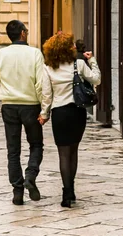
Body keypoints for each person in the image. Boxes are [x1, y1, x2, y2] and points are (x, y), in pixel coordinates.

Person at [39, 34, 101, 208]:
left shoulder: (48, 68)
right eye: (71, 44)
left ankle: (67, 192)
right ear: (66, 48)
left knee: (63, 154)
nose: (74, 46)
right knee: (74, 151)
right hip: (77, 113)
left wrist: (44, 114)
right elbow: (96, 79)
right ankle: (71, 190)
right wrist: (93, 61)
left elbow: (46, 94)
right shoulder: (79, 64)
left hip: (60, 114)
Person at [0, 20, 44, 206]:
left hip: (9, 105)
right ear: (23, 33)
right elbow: (40, 83)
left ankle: (17, 191)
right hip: (31, 105)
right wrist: (45, 108)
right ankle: (30, 176)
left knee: (13, 150)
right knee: (36, 144)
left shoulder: (1, 53)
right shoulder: (35, 53)